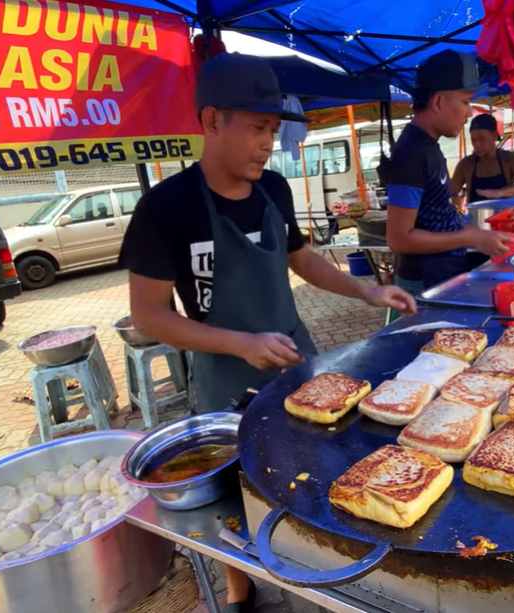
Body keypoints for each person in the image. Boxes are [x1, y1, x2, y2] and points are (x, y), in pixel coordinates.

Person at [119, 53, 416, 611]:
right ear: (212, 122)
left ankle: (320, 572)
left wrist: (369, 291)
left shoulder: (273, 189)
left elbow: (304, 263)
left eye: (272, 130)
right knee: (238, 494)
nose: (266, 143)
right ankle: (240, 589)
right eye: (256, 128)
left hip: (295, 358)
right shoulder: (167, 208)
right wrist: (240, 342)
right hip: (222, 376)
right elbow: (149, 316)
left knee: (310, 469)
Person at [385, 50, 514, 293]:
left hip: (444, 273)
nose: (469, 113)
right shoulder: (411, 152)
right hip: (424, 282)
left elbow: (439, 218)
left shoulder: (429, 147)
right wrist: (472, 238)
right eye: (465, 102)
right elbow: (399, 238)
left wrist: (481, 234)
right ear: (438, 102)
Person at [450, 113, 514, 208]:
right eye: (473, 140)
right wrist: (454, 199)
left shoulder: (510, 158)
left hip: (505, 217)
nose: (477, 144)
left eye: (481, 139)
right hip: (476, 218)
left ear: (494, 136)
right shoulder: (466, 164)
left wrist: (500, 192)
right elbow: (451, 191)